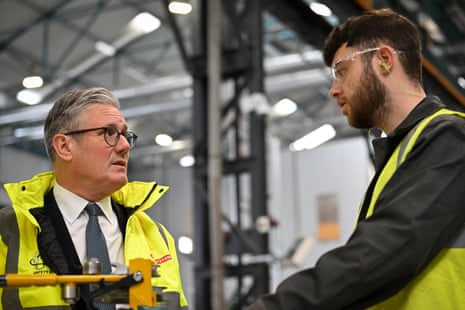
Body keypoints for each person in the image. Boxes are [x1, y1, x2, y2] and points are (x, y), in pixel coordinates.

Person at [245, 8, 465, 309]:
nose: (334, 90)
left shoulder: (452, 137)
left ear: (384, 59)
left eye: (341, 72)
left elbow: (384, 252)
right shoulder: (400, 156)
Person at [0, 87, 189, 310]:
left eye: (125, 135)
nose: (125, 146)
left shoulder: (157, 236)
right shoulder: (8, 231)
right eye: (108, 133)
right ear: (64, 146)